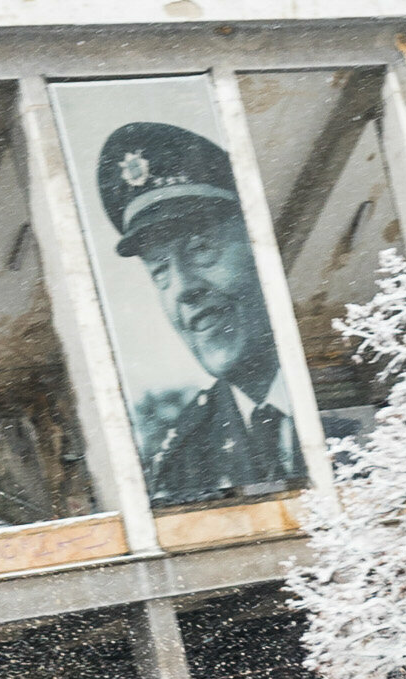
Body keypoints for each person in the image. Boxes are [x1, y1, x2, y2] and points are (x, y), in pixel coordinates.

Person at [95, 121, 303, 506]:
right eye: (160, 271)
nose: (184, 288)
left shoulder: (350, 388)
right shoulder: (184, 458)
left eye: (200, 248)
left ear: (259, 246)